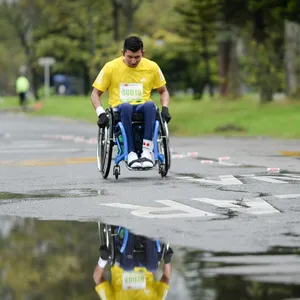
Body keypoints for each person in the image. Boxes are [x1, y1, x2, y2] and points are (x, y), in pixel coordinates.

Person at [91, 36, 171, 169]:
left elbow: (163, 91)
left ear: (142, 53)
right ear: (123, 53)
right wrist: (100, 113)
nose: (133, 61)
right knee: (126, 106)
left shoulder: (152, 67)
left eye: (137, 57)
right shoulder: (110, 67)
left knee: (151, 105)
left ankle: (147, 150)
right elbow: (95, 93)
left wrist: (165, 108)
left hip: (143, 107)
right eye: (129, 57)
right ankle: (131, 152)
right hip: (120, 108)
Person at [93, 229, 173, 300]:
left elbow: (97, 279)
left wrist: (103, 259)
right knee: (152, 267)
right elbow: (166, 278)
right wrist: (167, 261)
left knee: (128, 267)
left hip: (122, 260)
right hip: (147, 261)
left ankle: (127, 230)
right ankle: (150, 229)